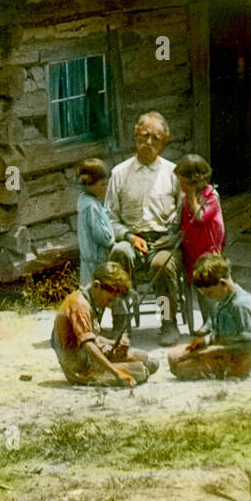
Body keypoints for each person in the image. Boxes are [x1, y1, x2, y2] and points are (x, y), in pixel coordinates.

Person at [106, 111, 183, 345]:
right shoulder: (119, 173)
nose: (149, 142)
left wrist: (171, 238)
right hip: (131, 239)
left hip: (164, 241)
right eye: (144, 135)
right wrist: (128, 237)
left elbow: (182, 216)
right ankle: (121, 324)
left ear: (164, 143)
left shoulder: (173, 173)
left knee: (162, 264)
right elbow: (109, 217)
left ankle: (168, 323)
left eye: (155, 138)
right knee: (118, 255)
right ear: (135, 137)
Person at [52, 262, 158, 387]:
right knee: (141, 371)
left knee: (145, 358)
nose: (110, 304)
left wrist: (113, 343)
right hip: (79, 365)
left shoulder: (88, 300)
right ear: (96, 285)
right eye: (109, 299)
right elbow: (89, 346)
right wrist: (117, 373)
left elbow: (93, 337)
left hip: (87, 356)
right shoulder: (79, 305)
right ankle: (93, 375)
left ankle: (120, 368)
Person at [167, 253, 251, 379]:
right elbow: (222, 334)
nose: (208, 297)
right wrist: (206, 341)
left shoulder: (241, 306)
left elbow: (249, 345)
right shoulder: (222, 301)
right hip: (223, 350)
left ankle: (234, 372)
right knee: (172, 356)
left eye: (210, 293)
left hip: (239, 359)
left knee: (182, 369)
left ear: (223, 283)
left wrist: (214, 351)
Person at [174, 154, 225, 322]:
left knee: (209, 289)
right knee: (199, 289)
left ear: (193, 182)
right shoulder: (187, 199)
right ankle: (207, 321)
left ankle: (214, 322)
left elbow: (200, 216)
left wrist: (190, 196)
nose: (179, 185)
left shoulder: (210, 197)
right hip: (192, 252)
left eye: (182, 182)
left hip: (207, 252)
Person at [75, 158, 116, 288]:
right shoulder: (92, 206)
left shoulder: (83, 200)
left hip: (88, 262)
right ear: (88, 183)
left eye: (107, 184)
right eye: (102, 185)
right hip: (96, 262)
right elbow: (105, 238)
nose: (105, 188)